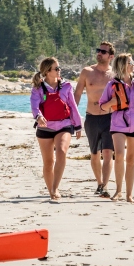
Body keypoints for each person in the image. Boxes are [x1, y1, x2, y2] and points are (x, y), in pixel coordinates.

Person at [97, 52, 134, 203]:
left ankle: (129, 195)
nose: (133, 65)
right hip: (118, 125)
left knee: (131, 159)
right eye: (131, 62)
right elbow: (102, 106)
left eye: (133, 62)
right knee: (119, 155)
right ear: (123, 65)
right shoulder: (112, 85)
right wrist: (111, 102)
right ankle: (118, 191)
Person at [29, 57, 83, 201]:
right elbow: (34, 106)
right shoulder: (38, 88)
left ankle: (55, 187)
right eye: (57, 68)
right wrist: (38, 117)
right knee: (48, 162)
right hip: (44, 127)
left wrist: (78, 125)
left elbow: (72, 106)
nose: (60, 71)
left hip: (64, 125)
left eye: (59, 68)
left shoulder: (66, 86)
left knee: (62, 151)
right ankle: (51, 191)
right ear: (47, 71)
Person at [75, 42, 116, 198]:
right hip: (91, 118)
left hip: (111, 118)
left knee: (107, 152)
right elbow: (77, 94)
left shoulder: (115, 74)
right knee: (94, 153)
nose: (99, 53)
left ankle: (104, 186)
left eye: (103, 52)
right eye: (98, 50)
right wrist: (72, 115)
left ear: (111, 56)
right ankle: (99, 182)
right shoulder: (87, 72)